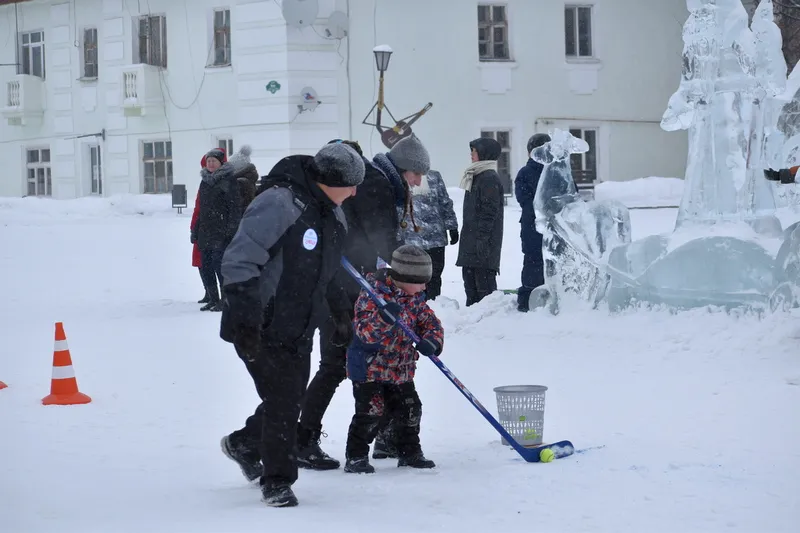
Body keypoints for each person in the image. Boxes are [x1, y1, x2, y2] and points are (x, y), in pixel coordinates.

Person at [219, 142, 364, 507]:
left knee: (289, 398)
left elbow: (329, 271)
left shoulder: (333, 213)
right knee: (284, 400)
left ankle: (244, 443)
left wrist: (340, 311)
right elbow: (239, 260)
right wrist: (246, 320)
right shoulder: (280, 203)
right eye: (350, 184)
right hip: (260, 322)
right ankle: (278, 481)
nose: (355, 192)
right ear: (330, 180)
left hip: (299, 324)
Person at [295, 135, 433, 468]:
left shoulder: (375, 179)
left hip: (348, 282)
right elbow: (380, 237)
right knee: (336, 365)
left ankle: (383, 435)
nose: (416, 182)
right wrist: (409, 270)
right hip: (346, 287)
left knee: (367, 360)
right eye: (415, 173)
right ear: (403, 167)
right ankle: (303, 439)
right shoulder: (377, 183)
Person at [343, 245, 443, 474]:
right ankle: (356, 456)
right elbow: (364, 332)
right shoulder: (372, 296)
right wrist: (383, 319)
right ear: (403, 278)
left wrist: (432, 341)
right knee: (371, 412)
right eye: (420, 281)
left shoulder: (416, 299)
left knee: (410, 409)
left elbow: (432, 324)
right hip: (370, 368)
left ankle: (410, 452)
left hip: (401, 368)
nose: (424, 287)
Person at [192, 147, 244, 312]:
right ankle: (213, 298)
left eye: (213, 161)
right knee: (206, 266)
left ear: (221, 163)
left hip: (222, 232)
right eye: (208, 161)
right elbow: (202, 208)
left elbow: (235, 208)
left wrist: (232, 229)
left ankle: (225, 299)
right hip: (205, 231)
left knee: (219, 266)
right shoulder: (205, 181)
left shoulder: (229, 180)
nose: (211, 164)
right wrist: (196, 230)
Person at [456, 137, 505, 306]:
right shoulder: (476, 175)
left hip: (482, 245)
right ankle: (474, 324)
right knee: (471, 288)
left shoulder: (488, 178)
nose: (471, 154)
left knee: (484, 292)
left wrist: (482, 239)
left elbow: (489, 212)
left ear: (484, 154)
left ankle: (487, 326)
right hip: (472, 242)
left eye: (474, 151)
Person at [398, 170, 459, 301]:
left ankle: (431, 307)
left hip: (430, 239)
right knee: (418, 279)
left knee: (431, 277)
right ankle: (421, 307)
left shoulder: (433, 176)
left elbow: (444, 202)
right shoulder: (401, 177)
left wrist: (452, 225)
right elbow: (396, 208)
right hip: (415, 240)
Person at [514, 133, 551, 312]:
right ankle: (550, 295)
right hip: (553, 226)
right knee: (550, 262)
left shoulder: (525, 173)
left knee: (533, 262)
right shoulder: (555, 172)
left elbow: (523, 199)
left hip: (532, 226)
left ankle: (528, 299)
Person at [189, 187, 212, 305]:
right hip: (201, 227)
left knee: (207, 262)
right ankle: (209, 292)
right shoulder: (205, 184)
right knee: (200, 261)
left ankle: (212, 294)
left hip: (206, 227)